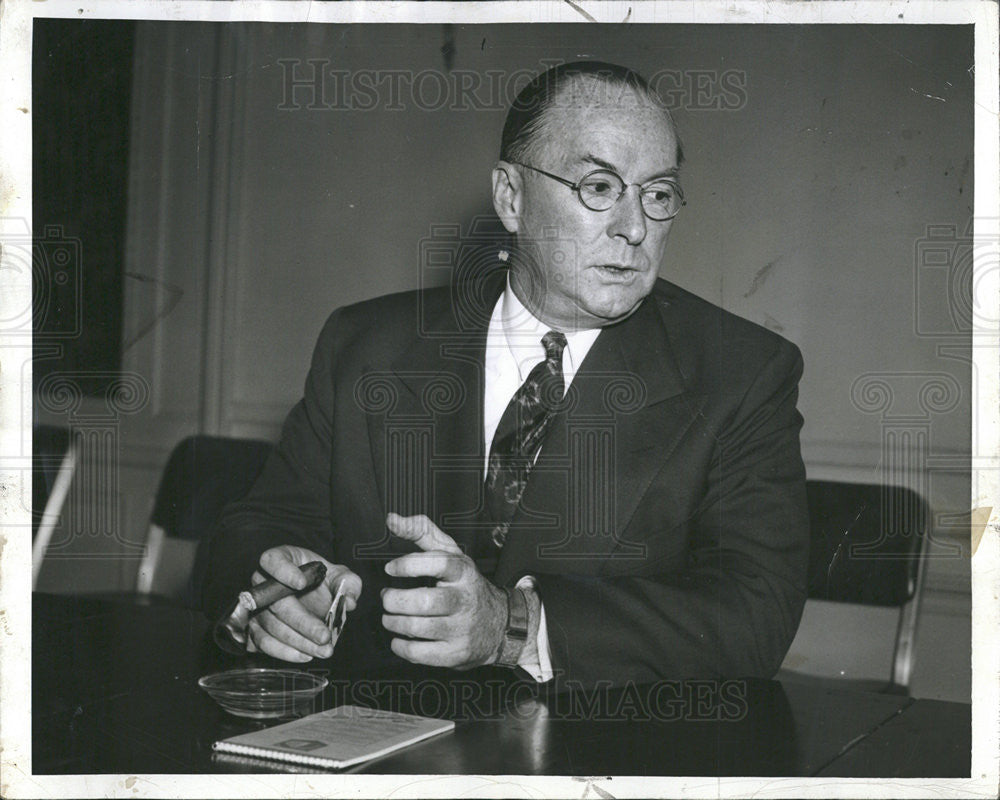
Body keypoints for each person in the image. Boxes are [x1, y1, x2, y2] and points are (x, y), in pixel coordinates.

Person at [199, 61, 809, 689]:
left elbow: (755, 614)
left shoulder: (740, 372)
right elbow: (259, 524)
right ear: (511, 198)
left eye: (657, 194)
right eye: (600, 186)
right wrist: (274, 590)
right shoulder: (366, 347)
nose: (635, 229)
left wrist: (513, 626)